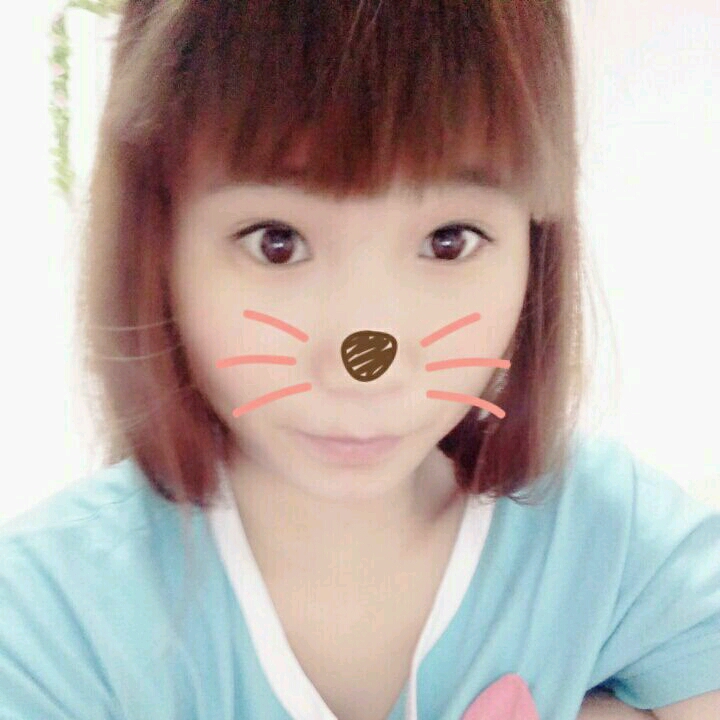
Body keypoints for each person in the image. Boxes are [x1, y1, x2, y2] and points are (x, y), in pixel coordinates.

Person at [1, 1, 719, 718]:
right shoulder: (50, 624)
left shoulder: (606, 542)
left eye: (449, 240)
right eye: (276, 242)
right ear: (159, 245)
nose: (364, 364)